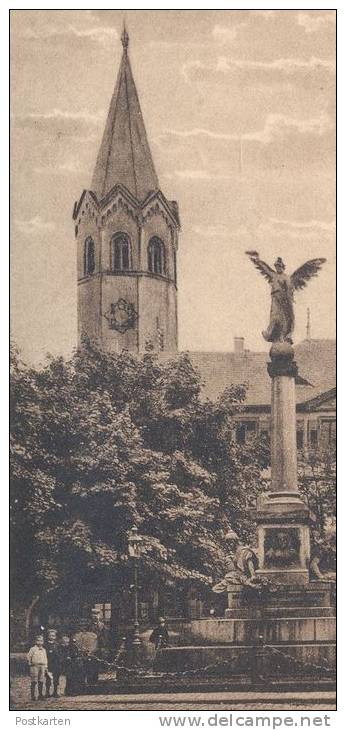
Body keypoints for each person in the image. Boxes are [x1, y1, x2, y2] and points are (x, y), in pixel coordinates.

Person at [27, 634, 48, 701]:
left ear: (43, 642)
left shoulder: (44, 650)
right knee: (34, 680)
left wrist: (46, 666)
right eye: (38, 640)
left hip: (42, 666)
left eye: (41, 641)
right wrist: (30, 663)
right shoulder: (32, 649)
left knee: (41, 680)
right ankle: (33, 696)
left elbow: (45, 658)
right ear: (35, 641)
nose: (40, 642)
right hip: (34, 666)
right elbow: (28, 656)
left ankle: (40, 695)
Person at [45, 628, 61, 698]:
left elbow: (60, 653)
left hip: (56, 664)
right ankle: (47, 692)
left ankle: (55, 692)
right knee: (48, 678)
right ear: (48, 636)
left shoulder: (57, 645)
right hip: (48, 663)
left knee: (56, 679)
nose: (52, 637)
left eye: (53, 636)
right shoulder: (45, 645)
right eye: (51, 635)